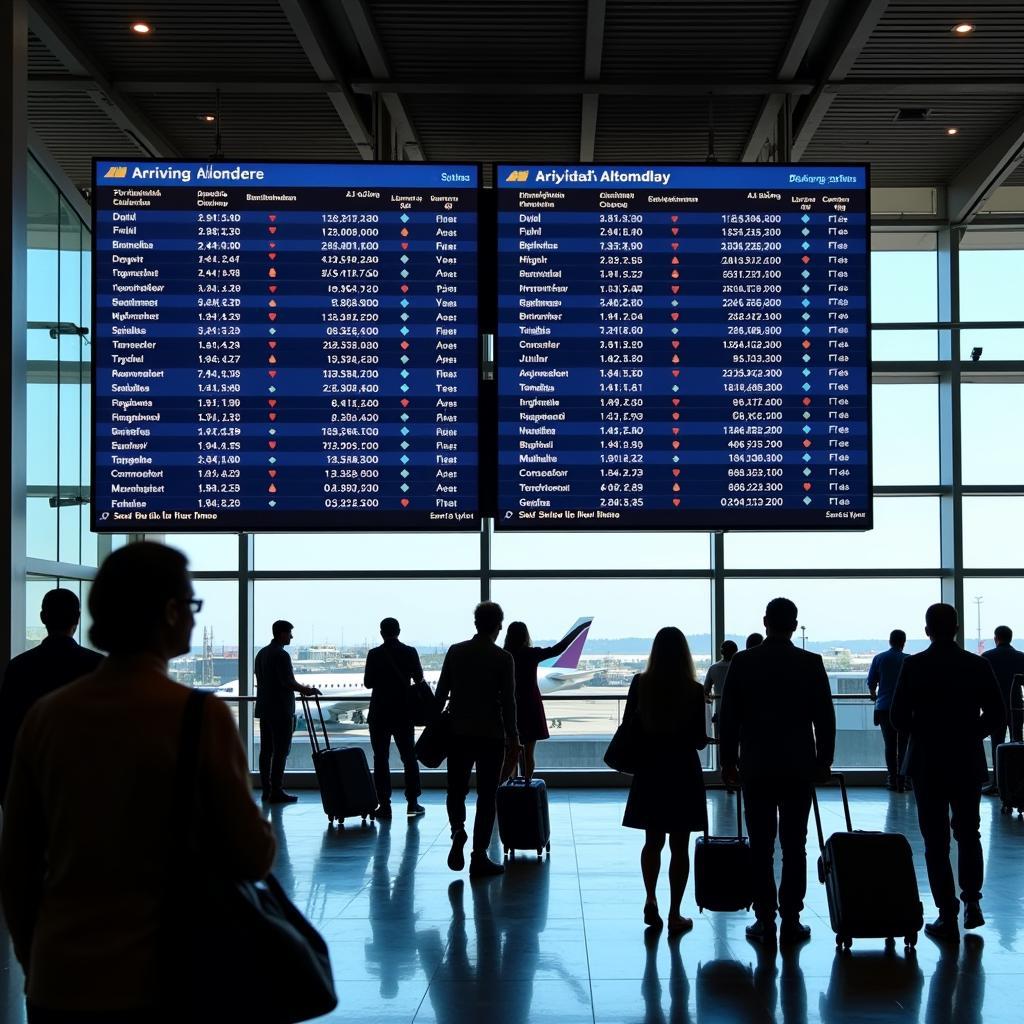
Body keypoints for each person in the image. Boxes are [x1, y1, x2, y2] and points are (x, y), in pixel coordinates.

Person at [0, 541, 275, 1022]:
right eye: (191, 605)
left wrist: (35, 963)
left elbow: (18, 861)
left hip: (61, 977)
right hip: (166, 976)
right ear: (169, 613)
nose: (193, 616)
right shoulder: (199, 717)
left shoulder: (46, 717)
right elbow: (250, 856)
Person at [719, 597, 835, 945]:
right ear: (795, 624)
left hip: (756, 765)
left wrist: (727, 760)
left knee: (761, 846)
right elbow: (824, 718)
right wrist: (823, 761)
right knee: (794, 844)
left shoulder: (743, 662)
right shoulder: (810, 662)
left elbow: (729, 717)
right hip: (798, 766)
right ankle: (792, 917)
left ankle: (764, 917)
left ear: (765, 620)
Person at [890, 602, 1004, 942]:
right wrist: (969, 733)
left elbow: (898, 717)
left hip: (927, 761)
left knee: (935, 840)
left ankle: (946, 912)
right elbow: (997, 715)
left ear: (927, 630)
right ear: (956, 628)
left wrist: (925, 732)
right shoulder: (976, 665)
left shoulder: (914, 665)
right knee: (968, 832)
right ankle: (972, 901)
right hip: (966, 759)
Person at [621, 626, 708, 935]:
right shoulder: (694, 690)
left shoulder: (640, 684)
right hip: (682, 769)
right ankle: (674, 913)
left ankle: (650, 898)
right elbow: (698, 740)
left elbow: (629, 725)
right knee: (680, 845)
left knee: (652, 841)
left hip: (650, 767)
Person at [435, 601, 520, 878]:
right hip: (490, 736)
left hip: (458, 733)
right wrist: (514, 738)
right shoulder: (503, 658)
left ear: (475, 624)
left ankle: (457, 829)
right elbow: (509, 703)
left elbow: (440, 696)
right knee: (487, 796)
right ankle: (479, 856)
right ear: (498, 626)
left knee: (456, 789)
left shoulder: (456, 652)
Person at [0, 588, 103, 804]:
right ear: (77, 618)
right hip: (84, 786)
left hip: (30, 786)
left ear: (42, 618)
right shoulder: (97, 666)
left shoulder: (18, 667)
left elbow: (7, 731)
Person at [502, 619, 590, 780]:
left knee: (510, 753)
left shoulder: (504, 655)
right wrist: (578, 630)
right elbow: (559, 648)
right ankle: (528, 786)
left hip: (510, 708)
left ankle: (509, 786)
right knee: (529, 754)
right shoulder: (531, 654)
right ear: (525, 636)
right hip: (530, 707)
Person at [364, 616, 426, 819]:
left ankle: (384, 804)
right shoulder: (409, 652)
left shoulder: (374, 654)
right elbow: (418, 678)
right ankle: (412, 802)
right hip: (403, 712)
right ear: (399, 631)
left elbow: (368, 683)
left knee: (380, 759)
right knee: (409, 757)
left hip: (379, 712)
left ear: (381, 633)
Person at [254, 619, 322, 804]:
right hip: (281, 710)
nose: (291, 636)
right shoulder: (281, 655)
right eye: (289, 633)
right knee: (281, 751)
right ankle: (277, 790)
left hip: (264, 708)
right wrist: (307, 690)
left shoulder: (261, 654)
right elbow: (288, 682)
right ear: (281, 634)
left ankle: (266, 790)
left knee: (266, 751)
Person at [980, 625, 1024, 795]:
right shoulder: (1021, 657)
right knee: (1017, 745)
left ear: (995, 638)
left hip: (995, 707)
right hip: (1016, 708)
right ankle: (1017, 785)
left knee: (997, 745)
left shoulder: (987, 658)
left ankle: (997, 784)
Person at [867, 629, 909, 792]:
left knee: (890, 745)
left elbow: (871, 682)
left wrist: (874, 695)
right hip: (904, 709)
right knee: (904, 745)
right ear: (903, 642)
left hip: (884, 707)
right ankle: (903, 779)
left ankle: (892, 779)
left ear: (890, 641)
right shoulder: (908, 660)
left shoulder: (879, 658)